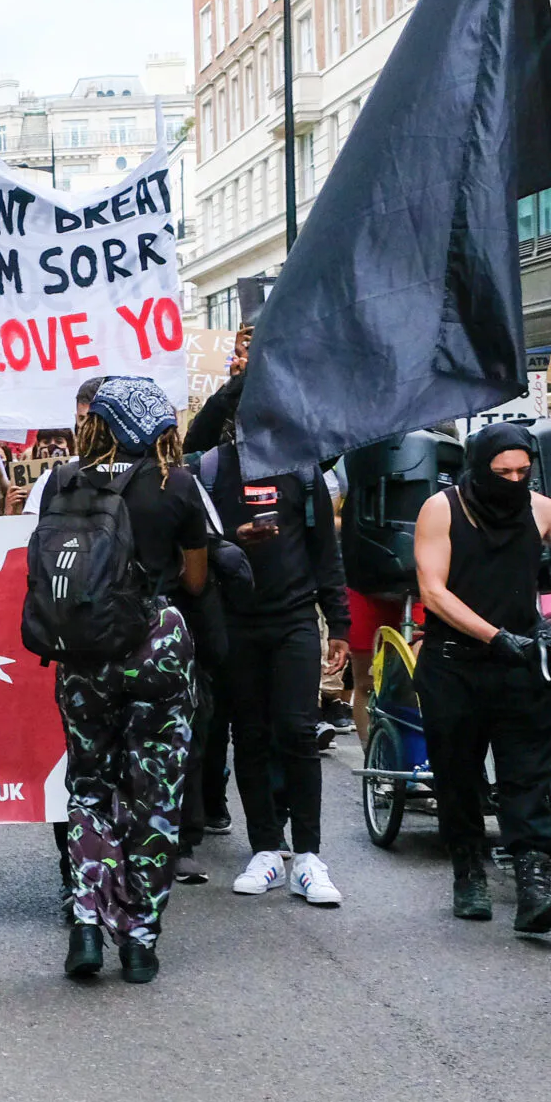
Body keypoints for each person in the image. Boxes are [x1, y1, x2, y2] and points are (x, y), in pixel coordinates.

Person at [34, 379, 208, 983]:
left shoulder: (62, 482)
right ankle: (139, 939)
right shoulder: (175, 485)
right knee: (153, 797)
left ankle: (85, 921)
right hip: (155, 647)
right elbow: (195, 579)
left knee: (88, 785)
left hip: (82, 653)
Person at [184, 345, 350, 907]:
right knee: (249, 734)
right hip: (237, 622)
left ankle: (309, 856)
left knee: (298, 733)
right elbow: (198, 547)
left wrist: (342, 626)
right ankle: (264, 849)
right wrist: (233, 542)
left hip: (295, 621)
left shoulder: (304, 473)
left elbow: (327, 554)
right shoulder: (208, 471)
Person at [410, 422, 551, 933]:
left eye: (523, 471)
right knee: (458, 776)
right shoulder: (442, 509)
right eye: (502, 472)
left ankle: (533, 889)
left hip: (523, 664)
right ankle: (468, 872)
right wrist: (493, 635)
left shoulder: (541, 509)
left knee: (527, 776)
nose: (513, 480)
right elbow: (433, 592)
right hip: (455, 663)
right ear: (479, 468)